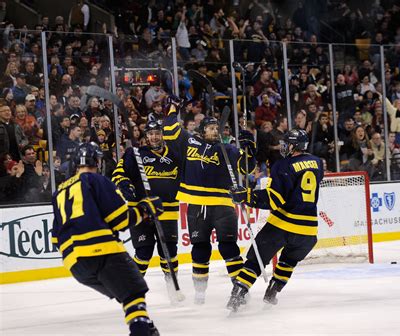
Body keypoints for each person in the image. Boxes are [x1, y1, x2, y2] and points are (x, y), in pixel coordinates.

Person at [51, 142, 162, 336]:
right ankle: (142, 331)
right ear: (97, 161)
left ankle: (144, 327)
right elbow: (120, 220)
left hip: (75, 265)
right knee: (134, 294)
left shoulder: (59, 191)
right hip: (102, 252)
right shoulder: (96, 180)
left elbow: (55, 239)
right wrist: (145, 210)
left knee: (126, 295)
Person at [164, 102, 256, 305]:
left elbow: (246, 167)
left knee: (229, 248)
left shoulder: (227, 149)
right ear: (202, 130)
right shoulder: (189, 142)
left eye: (218, 128)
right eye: (211, 128)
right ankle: (200, 292)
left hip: (223, 205)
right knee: (200, 249)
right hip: (196, 206)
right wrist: (172, 109)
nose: (216, 131)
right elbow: (169, 132)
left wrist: (250, 149)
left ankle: (240, 288)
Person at [227, 129, 324, 311]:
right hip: (308, 231)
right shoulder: (317, 162)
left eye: (287, 143)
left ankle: (237, 295)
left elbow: (274, 200)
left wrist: (246, 195)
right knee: (288, 261)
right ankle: (273, 291)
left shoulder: (283, 165)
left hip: (283, 225)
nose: (283, 146)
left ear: (295, 145)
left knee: (256, 260)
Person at [112, 119, 184, 304]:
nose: (154, 136)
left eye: (157, 133)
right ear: (146, 136)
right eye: (150, 133)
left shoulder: (175, 155)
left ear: (162, 134)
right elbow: (118, 174)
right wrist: (126, 185)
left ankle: (173, 289)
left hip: (167, 211)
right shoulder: (134, 154)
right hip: (141, 211)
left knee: (169, 252)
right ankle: (132, 290)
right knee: (143, 253)